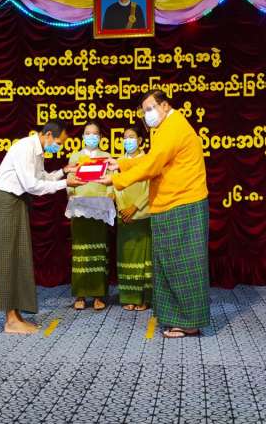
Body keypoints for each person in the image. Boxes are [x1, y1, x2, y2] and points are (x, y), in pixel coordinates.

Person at [97, 90, 210, 338]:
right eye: (144, 111)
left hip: (182, 202)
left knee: (182, 265)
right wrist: (122, 163)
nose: (147, 114)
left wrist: (117, 180)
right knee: (168, 264)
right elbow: (152, 158)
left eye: (151, 108)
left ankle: (189, 322)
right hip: (171, 203)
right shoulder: (165, 128)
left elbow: (152, 165)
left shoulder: (173, 128)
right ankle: (177, 318)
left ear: (165, 105)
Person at [0, 121, 83, 334]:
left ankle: (16, 315)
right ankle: (10, 320)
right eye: (59, 142)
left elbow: (41, 178)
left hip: (18, 202)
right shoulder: (25, 148)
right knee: (8, 259)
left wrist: (63, 171)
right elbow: (32, 185)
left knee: (20, 257)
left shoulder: (37, 150)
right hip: (7, 203)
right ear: (48, 134)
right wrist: (66, 183)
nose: (59, 147)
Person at [65, 121, 114, 311]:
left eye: (95, 134)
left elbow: (112, 181)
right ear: (83, 136)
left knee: (99, 251)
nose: (91, 137)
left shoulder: (106, 157)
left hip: (100, 208)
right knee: (81, 251)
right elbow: (69, 181)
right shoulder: (75, 156)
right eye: (88, 133)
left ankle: (98, 295)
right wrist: (71, 193)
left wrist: (110, 194)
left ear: (100, 137)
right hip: (79, 207)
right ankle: (80, 294)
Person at [115, 124, 152, 311]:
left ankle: (144, 298)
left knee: (143, 257)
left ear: (140, 140)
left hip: (143, 214)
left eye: (131, 137)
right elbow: (115, 186)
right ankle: (129, 297)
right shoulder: (118, 162)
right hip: (123, 216)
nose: (127, 141)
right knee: (127, 256)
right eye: (125, 138)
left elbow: (150, 188)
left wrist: (134, 208)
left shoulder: (147, 160)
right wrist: (123, 208)